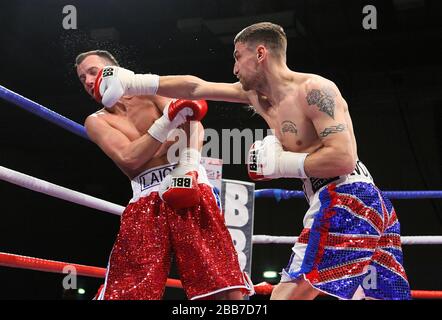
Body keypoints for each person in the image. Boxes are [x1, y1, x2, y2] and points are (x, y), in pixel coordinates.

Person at [93, 22, 412, 300]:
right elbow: (196, 87)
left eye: (237, 57)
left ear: (260, 53)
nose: (234, 68)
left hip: (347, 198)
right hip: (368, 202)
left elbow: (343, 158)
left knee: (290, 294)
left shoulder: (314, 90)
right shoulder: (258, 96)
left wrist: (282, 164)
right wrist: (136, 81)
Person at [75, 50, 252, 300]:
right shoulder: (96, 121)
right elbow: (129, 158)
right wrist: (166, 122)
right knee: (130, 288)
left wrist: (189, 163)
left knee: (218, 279)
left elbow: (192, 121)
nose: (89, 81)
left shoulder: (150, 90)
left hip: (186, 177)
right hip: (146, 196)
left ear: (114, 71)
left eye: (93, 72)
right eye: (82, 78)